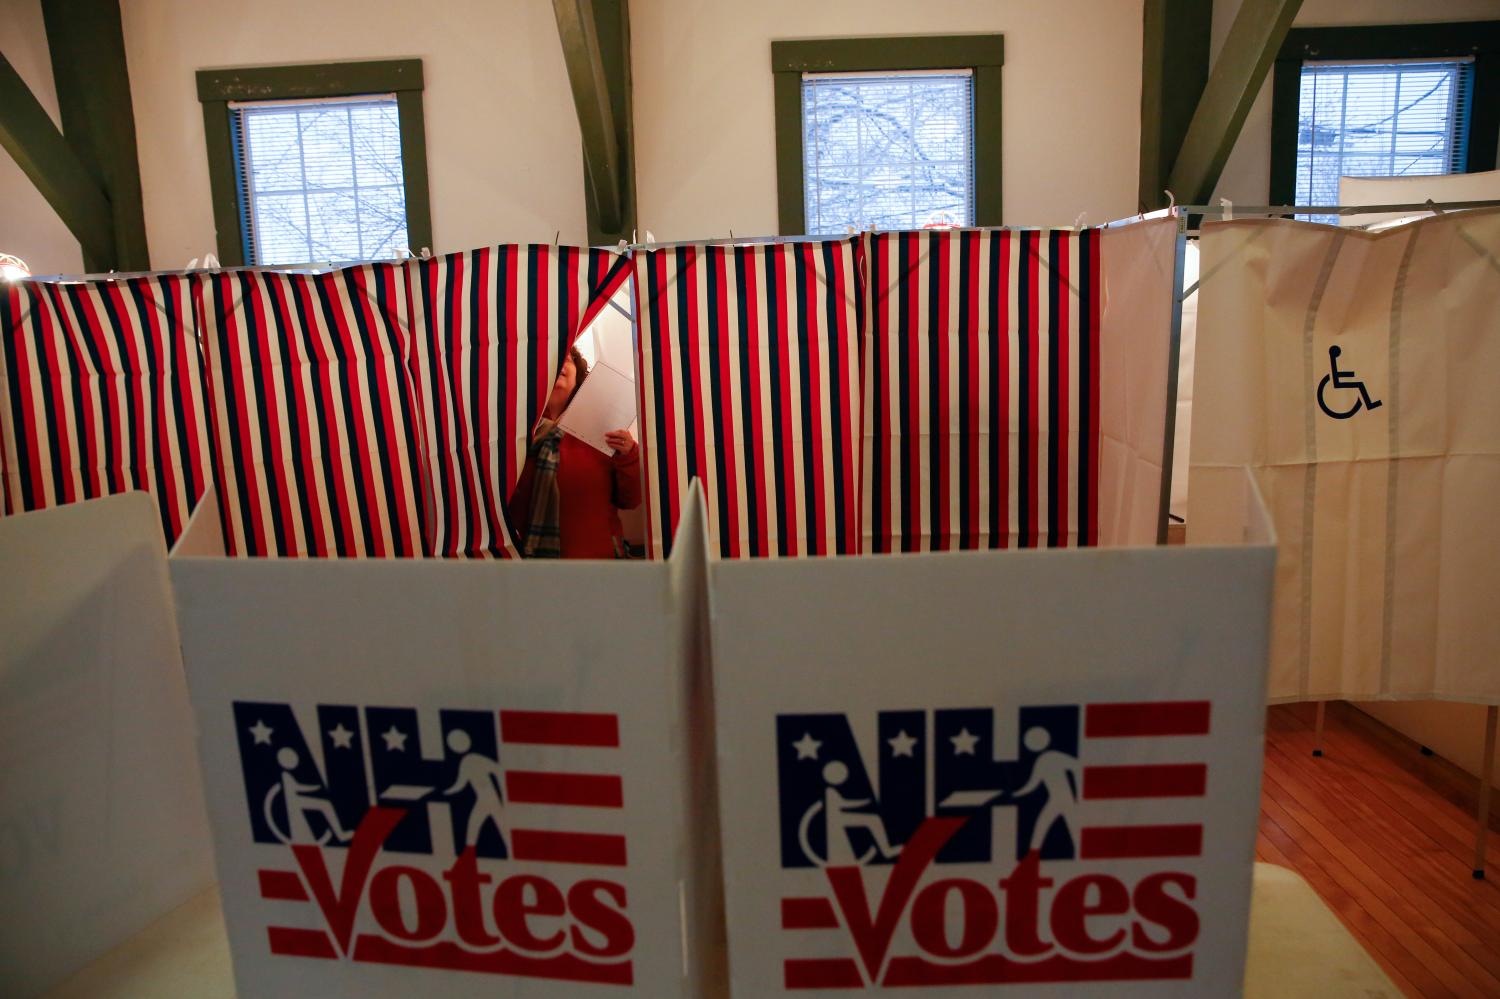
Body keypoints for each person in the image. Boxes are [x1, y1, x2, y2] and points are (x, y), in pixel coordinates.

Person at [509, 346, 641, 558]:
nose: (560, 362)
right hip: (531, 572)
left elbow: (631, 500)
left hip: (598, 567)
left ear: (579, 378)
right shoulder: (512, 432)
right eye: (551, 358)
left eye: (567, 359)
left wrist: (629, 454)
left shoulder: (601, 424)